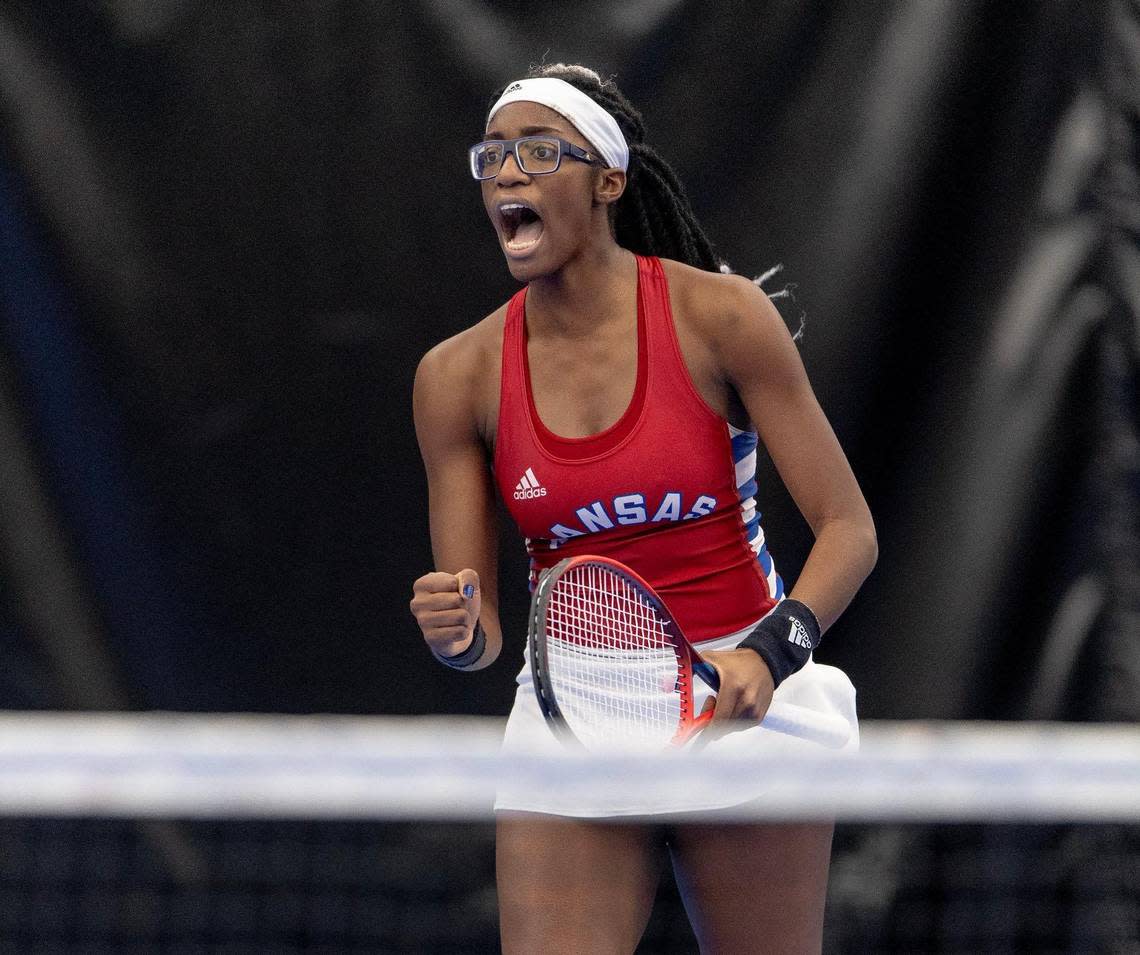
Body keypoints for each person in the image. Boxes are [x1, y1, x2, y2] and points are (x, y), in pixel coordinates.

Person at [409, 63, 877, 955]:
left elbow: (849, 529)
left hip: (749, 695)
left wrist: (774, 651)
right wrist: (454, 626)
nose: (507, 172)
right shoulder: (456, 377)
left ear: (608, 181)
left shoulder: (724, 318)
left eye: (539, 150)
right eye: (493, 156)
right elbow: (478, 640)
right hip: (572, 715)